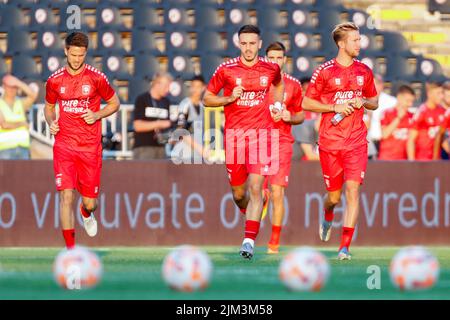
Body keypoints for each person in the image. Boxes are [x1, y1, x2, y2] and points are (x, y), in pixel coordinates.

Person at [203, 25, 284, 260]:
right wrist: (229, 98)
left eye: (252, 43)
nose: (248, 48)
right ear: (239, 44)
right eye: (244, 43)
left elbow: (278, 85)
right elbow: (207, 98)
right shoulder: (226, 69)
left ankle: (248, 241)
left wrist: (277, 106)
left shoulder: (270, 69)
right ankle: (251, 213)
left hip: (262, 136)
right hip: (235, 138)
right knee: (239, 194)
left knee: (256, 188)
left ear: (260, 44)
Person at [302, 22, 378, 260]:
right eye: (355, 40)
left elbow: (374, 101)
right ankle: (327, 215)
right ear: (341, 43)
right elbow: (306, 103)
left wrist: (362, 102)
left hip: (356, 141)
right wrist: (335, 106)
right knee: (333, 197)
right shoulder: (324, 71)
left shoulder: (364, 71)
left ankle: (344, 247)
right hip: (330, 142)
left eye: (359, 39)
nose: (359, 43)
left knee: (353, 191)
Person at [44, 32, 120, 249]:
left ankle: (86, 213)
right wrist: (51, 122)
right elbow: (48, 108)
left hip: (89, 147)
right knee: (66, 197)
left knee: (90, 202)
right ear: (65, 51)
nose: (77, 59)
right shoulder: (54, 80)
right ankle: (71, 251)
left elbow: (115, 103)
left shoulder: (96, 77)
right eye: (74, 54)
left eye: (82, 55)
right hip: (64, 145)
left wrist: (97, 115)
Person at [264, 41, 304, 254]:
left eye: (279, 58)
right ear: (265, 59)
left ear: (285, 60)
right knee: (252, 191)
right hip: (258, 140)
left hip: (282, 142)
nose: (275, 62)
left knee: (277, 193)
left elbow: (301, 115)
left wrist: (291, 116)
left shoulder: (294, 85)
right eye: (271, 57)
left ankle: (274, 243)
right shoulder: (257, 83)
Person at [133, 72, 173, 160]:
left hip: (161, 147)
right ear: (157, 84)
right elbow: (137, 126)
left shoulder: (166, 102)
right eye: (166, 86)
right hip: (144, 147)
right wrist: (159, 124)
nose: (168, 90)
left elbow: (168, 125)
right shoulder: (142, 99)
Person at [0, 74, 38, 159]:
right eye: (9, 86)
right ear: (4, 87)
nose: (12, 89)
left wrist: (18, 83)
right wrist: (22, 124)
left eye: (14, 87)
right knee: (6, 173)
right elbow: (4, 124)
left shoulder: (20, 103)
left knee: (25, 172)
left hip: (23, 148)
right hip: (5, 149)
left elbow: (33, 96)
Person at [407, 81, 445, 161]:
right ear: (430, 94)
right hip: (421, 161)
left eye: (442, 93)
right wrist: (412, 163)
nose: (441, 96)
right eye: (438, 93)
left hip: (436, 160)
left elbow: (443, 138)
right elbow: (411, 140)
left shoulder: (442, 111)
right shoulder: (422, 112)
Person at [173, 75, 207, 161]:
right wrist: (200, 148)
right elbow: (180, 132)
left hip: (197, 154)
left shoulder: (203, 107)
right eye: (193, 86)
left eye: (198, 87)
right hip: (184, 153)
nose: (195, 89)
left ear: (203, 88)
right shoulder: (185, 105)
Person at [378, 85, 416, 160]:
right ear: (399, 98)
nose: (410, 104)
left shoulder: (412, 116)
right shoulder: (386, 113)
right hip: (387, 160)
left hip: (403, 160)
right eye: (408, 101)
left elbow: (411, 141)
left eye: (412, 101)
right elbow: (385, 134)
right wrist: (398, 118)